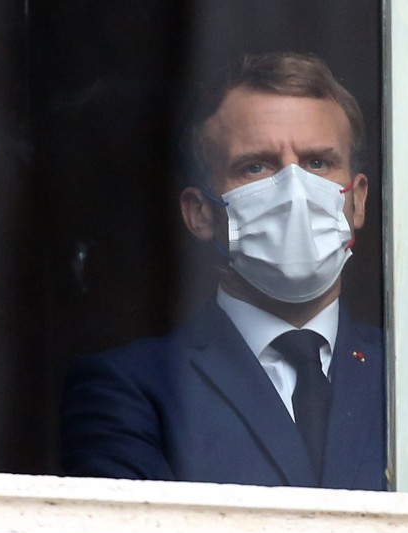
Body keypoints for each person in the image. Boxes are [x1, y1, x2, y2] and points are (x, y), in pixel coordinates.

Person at [60, 52, 386, 490]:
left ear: (358, 199)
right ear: (200, 213)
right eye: (256, 166)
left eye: (317, 163)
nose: (295, 193)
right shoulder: (131, 390)